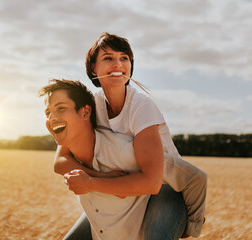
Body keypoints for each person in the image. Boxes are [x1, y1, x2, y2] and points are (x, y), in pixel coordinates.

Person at [53, 32, 207, 239]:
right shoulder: (92, 106)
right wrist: (101, 178)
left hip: (164, 191)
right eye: (108, 58)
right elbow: (61, 160)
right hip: (121, 191)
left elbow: (152, 183)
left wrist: (91, 183)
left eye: (124, 58)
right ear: (93, 68)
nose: (118, 64)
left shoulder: (141, 107)